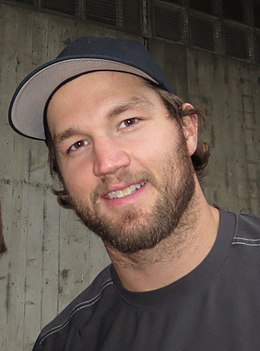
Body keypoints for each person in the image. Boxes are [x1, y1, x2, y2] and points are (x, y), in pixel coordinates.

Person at [9, 37, 260, 351]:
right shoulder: (61, 343)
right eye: (77, 145)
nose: (107, 162)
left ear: (187, 131)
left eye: (128, 122)